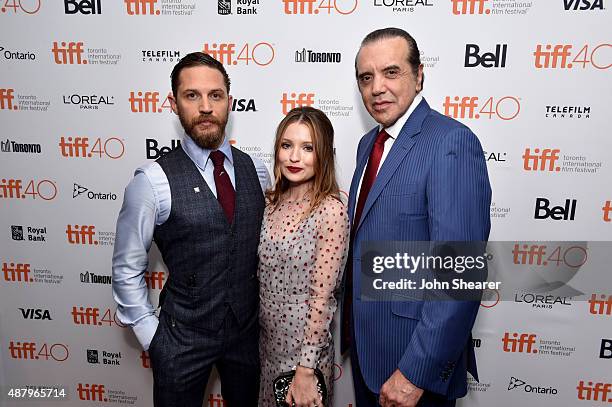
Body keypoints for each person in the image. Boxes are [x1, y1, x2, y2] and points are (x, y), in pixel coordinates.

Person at [341, 28, 492, 407]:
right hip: (367, 351)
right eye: (366, 77)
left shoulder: (450, 142)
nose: (377, 87)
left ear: (419, 75)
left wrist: (416, 373)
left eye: (391, 72)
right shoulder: (367, 145)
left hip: (412, 365)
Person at [112, 52, 270, 407]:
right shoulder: (151, 181)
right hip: (181, 339)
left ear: (229, 101)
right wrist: (153, 337)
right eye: (192, 95)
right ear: (174, 103)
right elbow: (126, 266)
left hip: (247, 335)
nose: (205, 107)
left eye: (215, 95)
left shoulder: (257, 171)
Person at [258, 106, 350, 407]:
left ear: (323, 153)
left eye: (307, 148)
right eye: (287, 146)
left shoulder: (330, 210)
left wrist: (306, 369)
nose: (294, 157)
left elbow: (322, 298)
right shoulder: (271, 202)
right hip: (265, 349)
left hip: (303, 360)